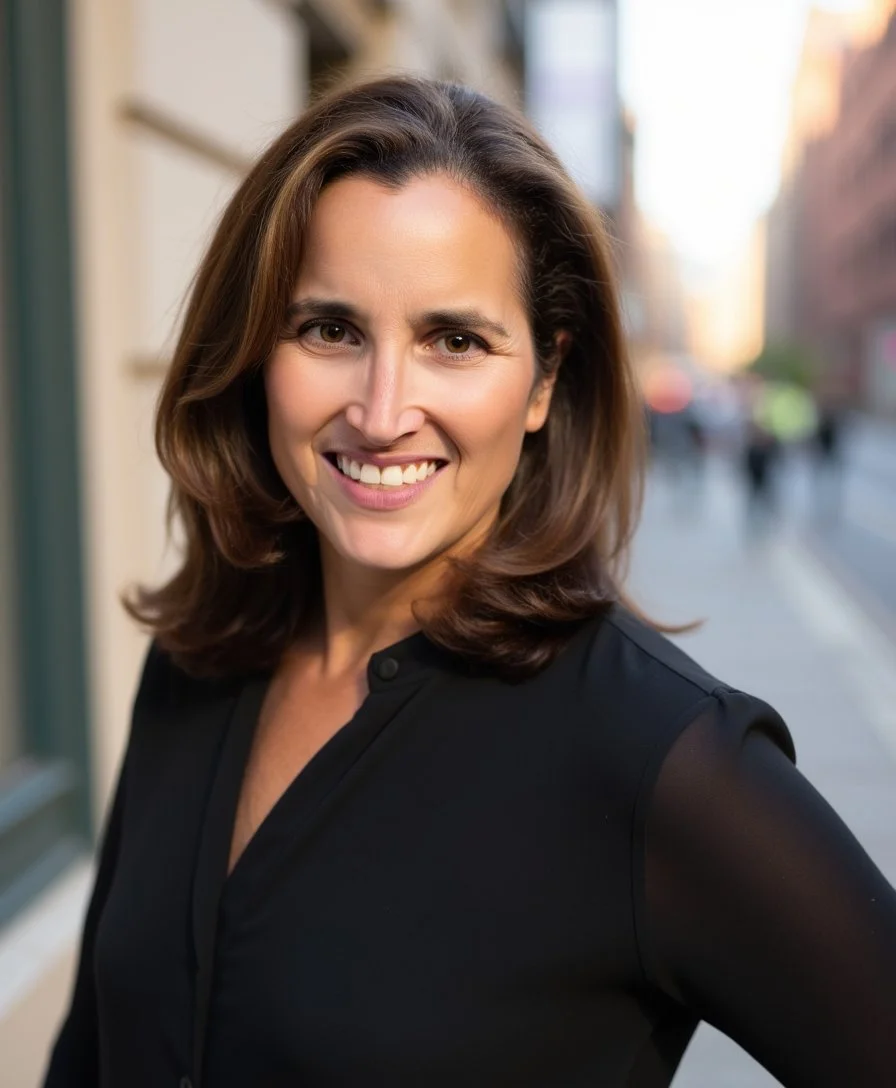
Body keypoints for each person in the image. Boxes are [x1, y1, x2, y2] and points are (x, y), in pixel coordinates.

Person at [43, 76, 896, 1088]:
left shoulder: (661, 759)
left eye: (453, 340)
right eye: (329, 329)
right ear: (256, 350)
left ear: (541, 380)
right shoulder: (197, 656)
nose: (380, 409)